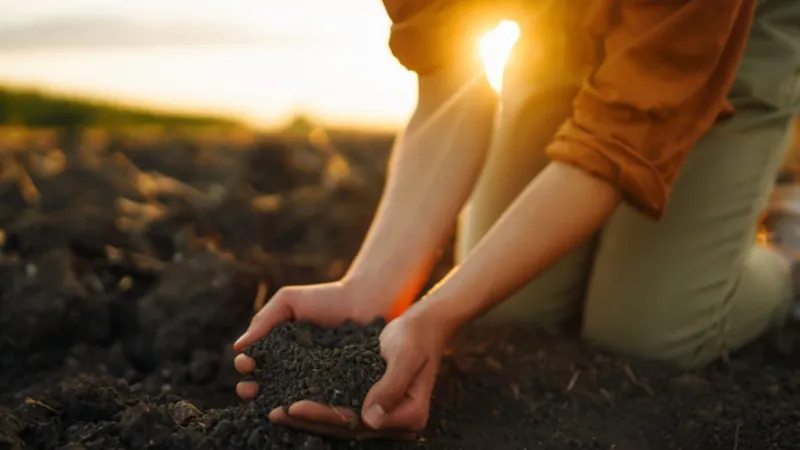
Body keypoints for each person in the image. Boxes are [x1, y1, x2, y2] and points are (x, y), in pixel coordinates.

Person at [233, 0, 800, 439]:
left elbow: (613, 150)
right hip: (560, 25)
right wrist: (374, 290)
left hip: (720, 38)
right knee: (511, 300)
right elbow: (449, 85)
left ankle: (783, 248)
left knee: (648, 329)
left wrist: (441, 313)